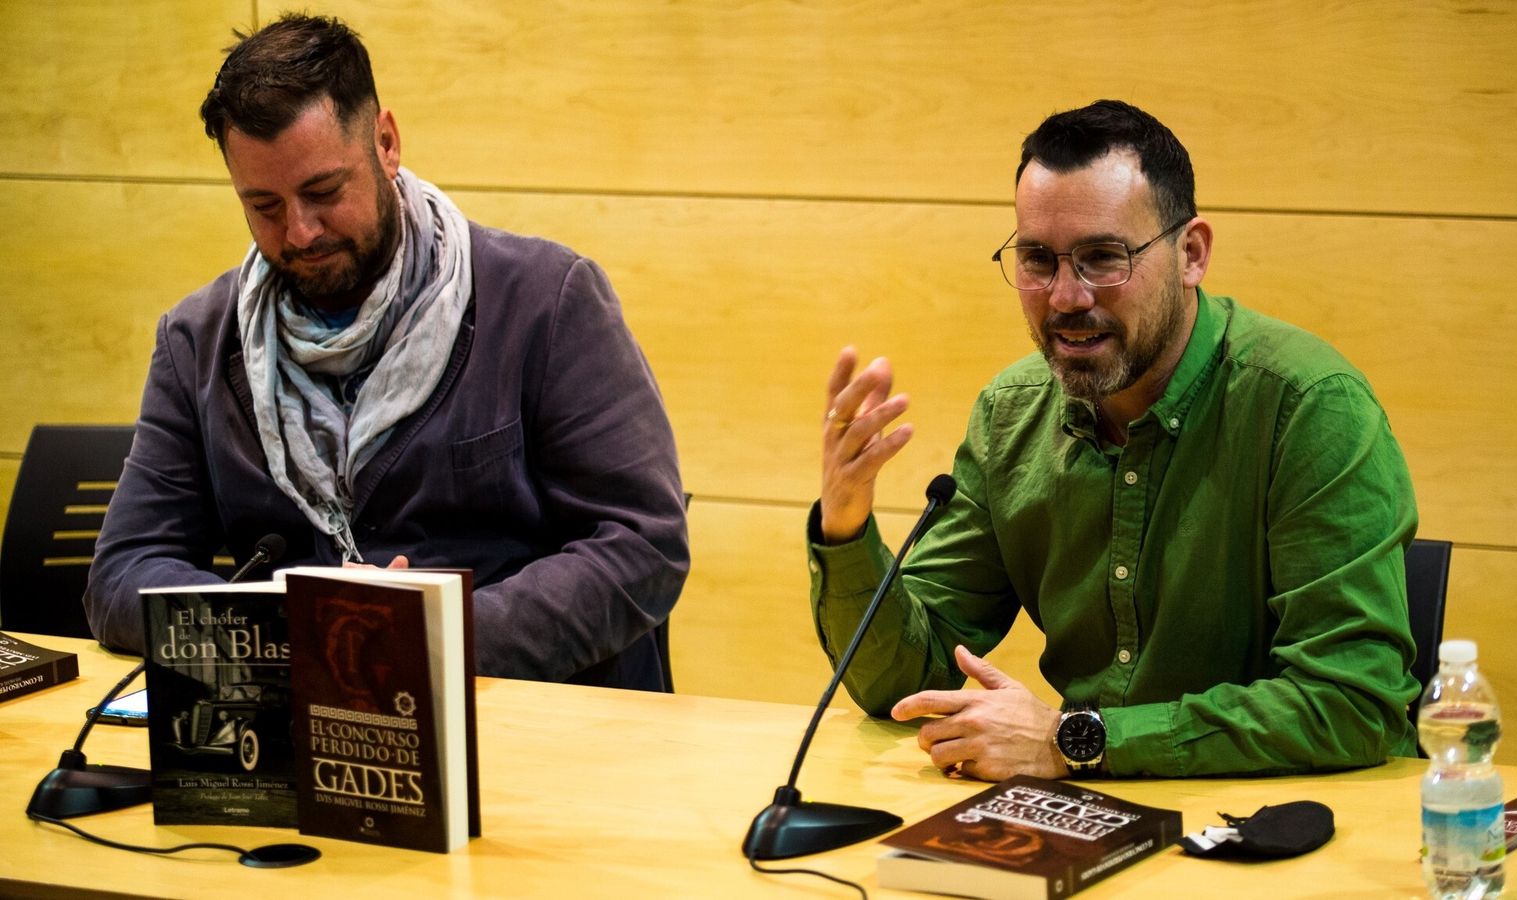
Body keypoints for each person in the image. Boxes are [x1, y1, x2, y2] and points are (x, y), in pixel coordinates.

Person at [810, 100, 1418, 778]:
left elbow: (1351, 704)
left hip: (1303, 830)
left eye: (1103, 257)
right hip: (1093, 815)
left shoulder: (1308, 407)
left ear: (1191, 254)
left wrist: (1079, 740)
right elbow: (905, 681)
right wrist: (846, 525)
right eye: (1038, 259)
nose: (1066, 296)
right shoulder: (1012, 414)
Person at [84, 14, 688, 690]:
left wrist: (425, 636)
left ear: (387, 143)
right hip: (303, 739)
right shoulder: (197, 342)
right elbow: (124, 571)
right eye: (264, 207)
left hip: (534, 727)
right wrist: (290, 628)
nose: (301, 231)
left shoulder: (546, 303)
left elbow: (643, 546)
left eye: (323, 192)